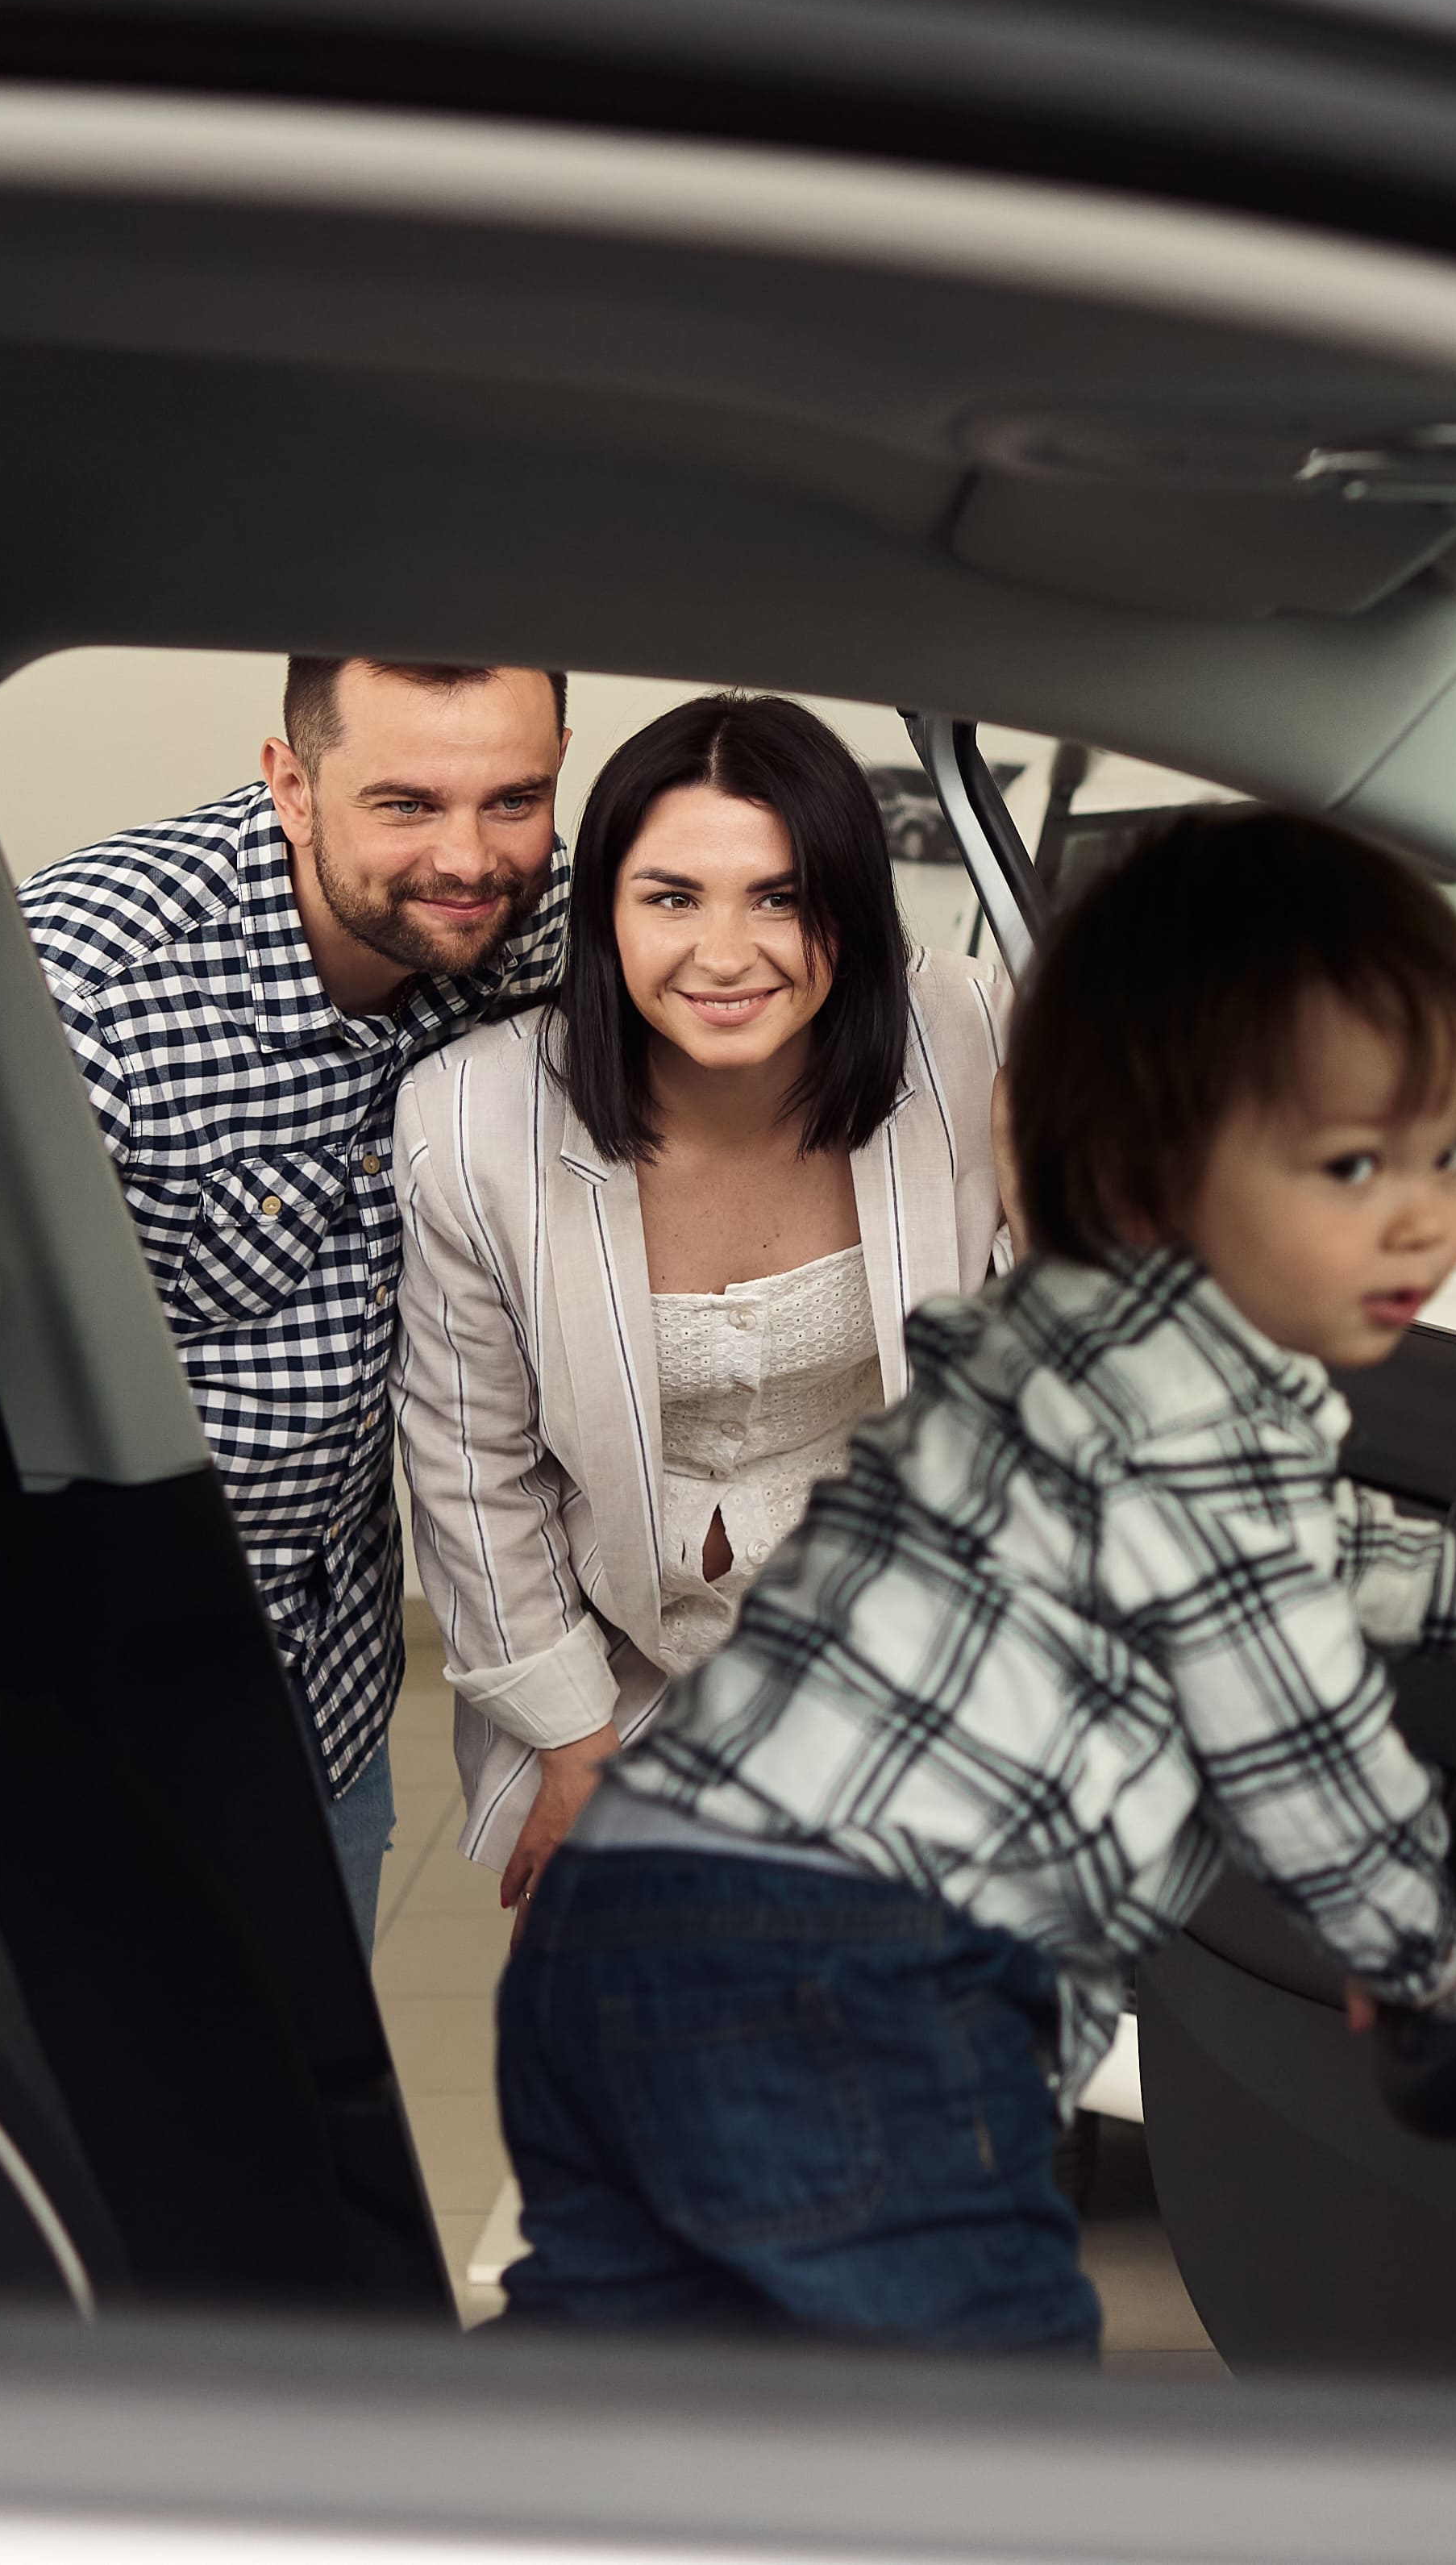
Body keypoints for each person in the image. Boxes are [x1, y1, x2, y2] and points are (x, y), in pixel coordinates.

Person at [489, 808, 1456, 2350]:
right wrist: (1415, 1954)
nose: (1426, 1214)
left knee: (642, 2346)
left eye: (1449, 1154)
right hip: (846, 1986)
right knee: (973, 2393)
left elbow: (1286, 1554)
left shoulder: (1068, 1366)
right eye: (1354, 1163)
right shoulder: (1197, 1419)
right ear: (1148, 1182)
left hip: (636, 1920)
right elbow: (1294, 1726)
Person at [393, 695, 1009, 1912]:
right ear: (603, 912)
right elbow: (473, 1471)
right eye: (671, 897)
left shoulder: (973, 1028)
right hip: (618, 1669)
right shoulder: (471, 1115)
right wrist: (576, 1749)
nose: (725, 956)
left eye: (780, 897)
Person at [21, 657, 570, 1947]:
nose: (467, 858)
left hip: (327, 1688)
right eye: (405, 805)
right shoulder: (92, 1000)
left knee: (312, 2116)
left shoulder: (535, 916)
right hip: (97, 1698)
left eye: (515, 798)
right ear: (290, 785)